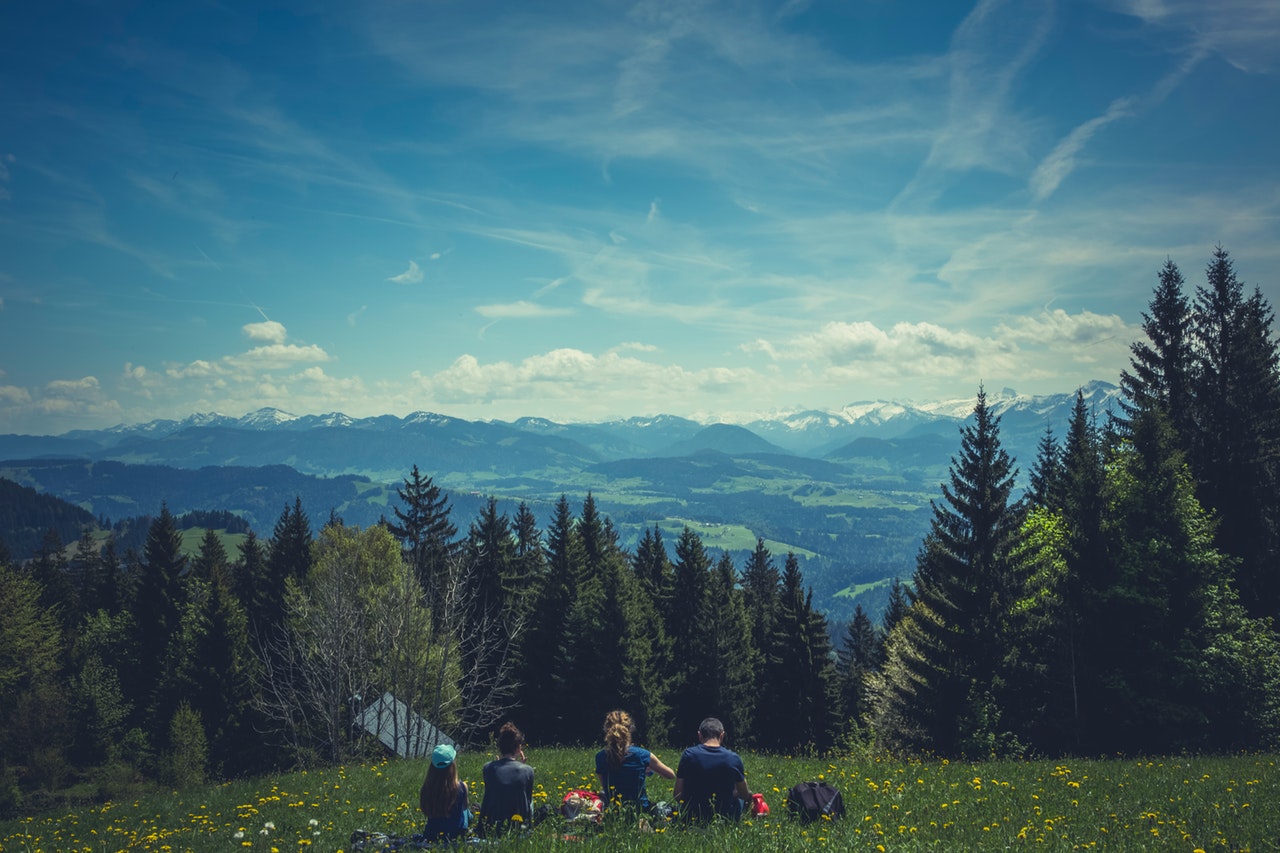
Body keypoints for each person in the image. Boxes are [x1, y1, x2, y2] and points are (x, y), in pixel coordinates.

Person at [594, 709, 675, 813]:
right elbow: (671, 775)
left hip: (615, 810)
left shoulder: (600, 757)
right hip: (640, 809)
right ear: (630, 729)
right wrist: (651, 768)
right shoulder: (642, 755)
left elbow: (605, 787)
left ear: (606, 729)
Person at [673, 717, 751, 821]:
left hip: (693, 816)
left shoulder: (688, 755)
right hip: (725, 817)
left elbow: (677, 795)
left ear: (699, 735)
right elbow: (744, 795)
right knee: (747, 794)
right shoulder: (733, 758)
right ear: (722, 735)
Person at [479, 721, 535, 834]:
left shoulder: (488, 768)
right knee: (531, 800)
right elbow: (527, 798)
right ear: (518, 749)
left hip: (492, 825)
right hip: (517, 825)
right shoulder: (527, 770)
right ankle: (527, 827)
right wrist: (522, 766)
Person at [419, 743, 470, 842]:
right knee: (467, 812)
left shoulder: (426, 788)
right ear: (452, 765)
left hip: (431, 835)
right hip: (455, 836)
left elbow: (425, 809)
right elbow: (464, 808)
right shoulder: (462, 787)